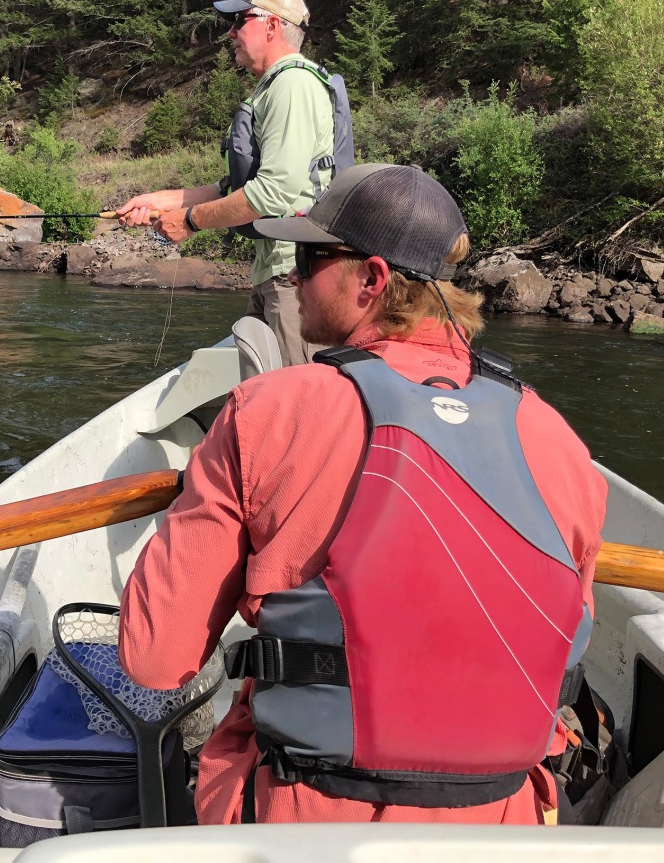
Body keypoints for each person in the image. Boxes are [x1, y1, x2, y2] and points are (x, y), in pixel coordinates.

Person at [118, 163, 608, 826]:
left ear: (372, 279)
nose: (293, 278)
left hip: (303, 819)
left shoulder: (270, 411)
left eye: (308, 260)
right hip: (501, 824)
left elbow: (154, 659)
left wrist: (204, 497)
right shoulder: (561, 443)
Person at [117, 0, 347, 367]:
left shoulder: (292, 85)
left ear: (272, 25)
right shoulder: (275, 88)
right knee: (266, 390)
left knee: (294, 396)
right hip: (278, 272)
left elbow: (273, 191)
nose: (230, 32)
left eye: (240, 20)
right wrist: (159, 201)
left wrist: (190, 221)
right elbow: (233, 187)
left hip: (296, 276)